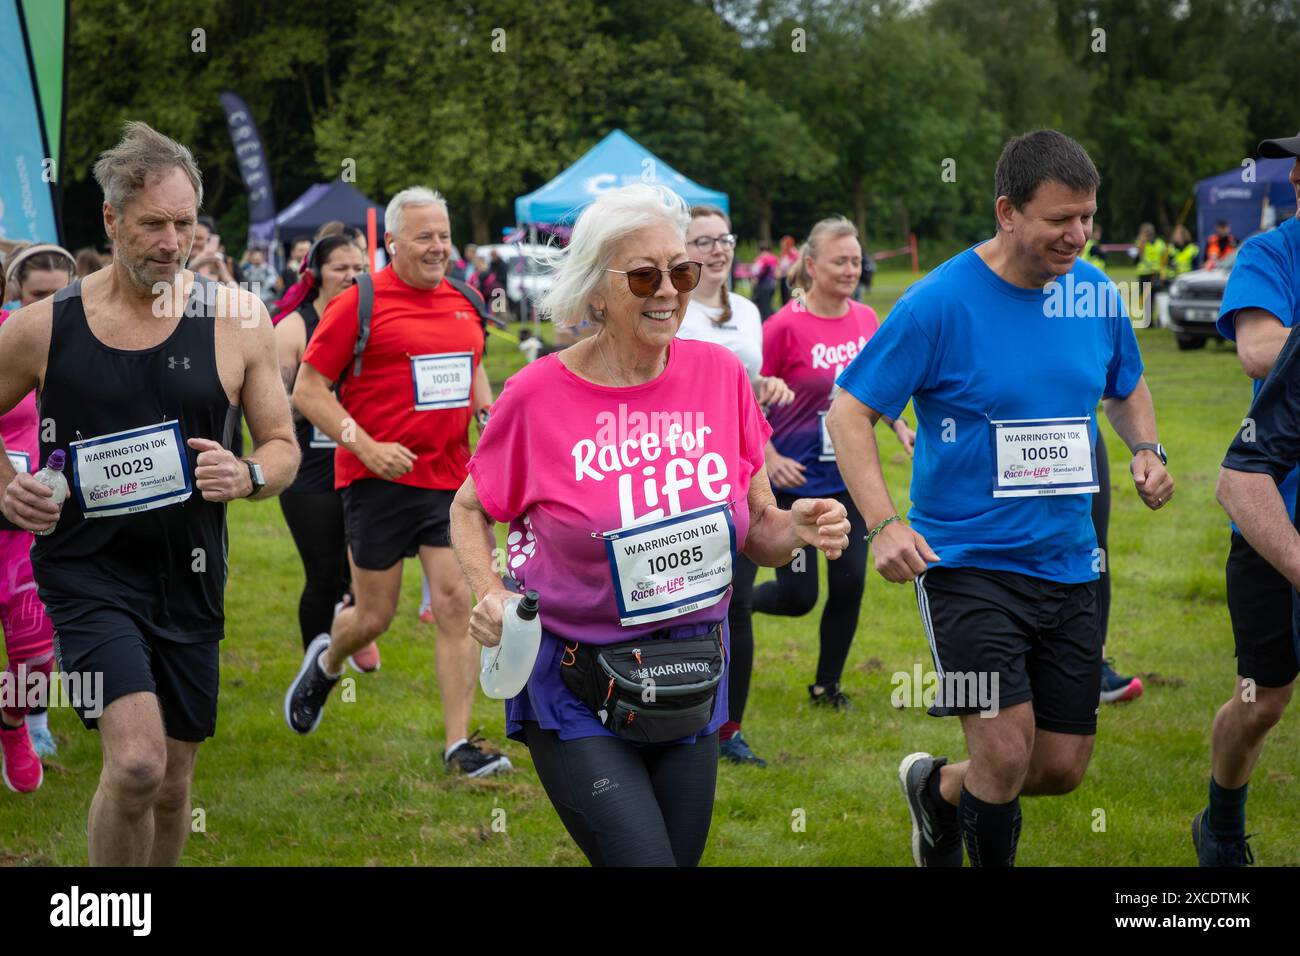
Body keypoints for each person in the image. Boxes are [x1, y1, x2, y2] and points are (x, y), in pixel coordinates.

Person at [448, 183, 851, 866]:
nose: (668, 290)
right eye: (644, 275)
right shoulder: (536, 395)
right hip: (575, 682)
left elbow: (757, 528)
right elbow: (468, 507)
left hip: (690, 676)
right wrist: (489, 591)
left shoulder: (720, 378)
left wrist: (799, 527)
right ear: (595, 292)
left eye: (680, 271)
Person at [828, 129, 1172, 867]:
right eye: (1060, 219)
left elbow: (1126, 384)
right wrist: (883, 523)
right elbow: (848, 411)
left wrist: (1145, 446)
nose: (1077, 235)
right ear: (1007, 211)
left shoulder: (1093, 294)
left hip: (1070, 563)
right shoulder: (938, 305)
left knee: (1059, 767)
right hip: (965, 566)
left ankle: (935, 791)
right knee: (1007, 750)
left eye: (1088, 217)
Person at [0, 121, 298, 864]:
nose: (173, 242)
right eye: (153, 224)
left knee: (171, 782)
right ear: (110, 220)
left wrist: (249, 474)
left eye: (186, 223)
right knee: (136, 763)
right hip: (86, 574)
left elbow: (283, 448)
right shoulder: (44, 327)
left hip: (190, 575)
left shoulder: (237, 320)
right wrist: (9, 486)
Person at [283, 187, 507, 777]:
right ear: (392, 243)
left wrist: (486, 416)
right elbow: (308, 390)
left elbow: (472, 365)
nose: (439, 247)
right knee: (374, 616)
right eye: (425, 237)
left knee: (457, 603)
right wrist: (367, 446)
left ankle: (459, 746)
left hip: (448, 483)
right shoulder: (357, 302)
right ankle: (328, 661)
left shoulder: (465, 298)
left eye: (444, 234)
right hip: (375, 480)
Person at [755, 217, 913, 711]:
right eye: (840, 260)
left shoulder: (867, 319)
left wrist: (898, 425)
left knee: (849, 585)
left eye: (856, 260)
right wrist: (770, 456)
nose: (852, 269)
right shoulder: (782, 326)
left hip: (848, 477)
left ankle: (827, 686)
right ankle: (738, 603)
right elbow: (747, 401)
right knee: (799, 596)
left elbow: (874, 387)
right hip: (794, 484)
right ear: (811, 265)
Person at [1197, 131, 1300, 867]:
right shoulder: (1271, 253)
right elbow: (1258, 350)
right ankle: (1221, 825)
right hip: (1274, 510)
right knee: (1262, 699)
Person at [676, 204, 794, 766]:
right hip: (682, 469)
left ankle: (730, 729)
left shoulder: (748, 310)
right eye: (703, 241)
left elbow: (743, 389)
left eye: (724, 239)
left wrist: (764, 384)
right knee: (693, 602)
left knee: (738, 601)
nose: (718, 249)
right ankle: (677, 712)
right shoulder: (671, 311)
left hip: (738, 467)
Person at [0, 242, 77, 787]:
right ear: (15, 294)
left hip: (36, 523)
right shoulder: (6, 338)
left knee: (34, 657)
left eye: (61, 296)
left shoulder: (90, 343)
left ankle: (12, 723)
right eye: (37, 296)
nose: (48, 307)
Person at [273, 235, 367, 659]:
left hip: (365, 461)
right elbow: (273, 411)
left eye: (358, 268)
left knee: (363, 568)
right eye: (340, 268)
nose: (351, 276)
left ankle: (354, 627)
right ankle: (316, 663)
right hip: (312, 469)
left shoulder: (371, 320)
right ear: (316, 274)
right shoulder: (293, 327)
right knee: (324, 573)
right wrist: (324, 405)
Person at [1134, 222, 1167, 320]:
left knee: (1157, 297)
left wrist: (1163, 273)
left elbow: (1165, 260)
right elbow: (1136, 259)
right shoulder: (1140, 243)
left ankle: (1160, 318)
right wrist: (1142, 244)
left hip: (1156, 273)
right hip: (1144, 273)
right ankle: (1149, 320)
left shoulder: (1160, 243)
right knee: (1147, 298)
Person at [751, 241, 779, 321]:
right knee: (768, 305)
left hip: (763, 285)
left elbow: (755, 271)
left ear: (760, 250)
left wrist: (754, 277)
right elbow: (777, 272)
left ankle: (768, 324)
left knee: (764, 307)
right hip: (772, 285)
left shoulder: (762, 258)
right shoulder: (774, 258)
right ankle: (774, 320)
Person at [777, 235, 799, 305]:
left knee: (791, 297)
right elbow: (780, 265)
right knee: (784, 298)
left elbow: (796, 265)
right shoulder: (783, 253)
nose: (781, 245)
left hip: (792, 278)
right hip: (783, 278)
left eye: (783, 243)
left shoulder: (794, 253)